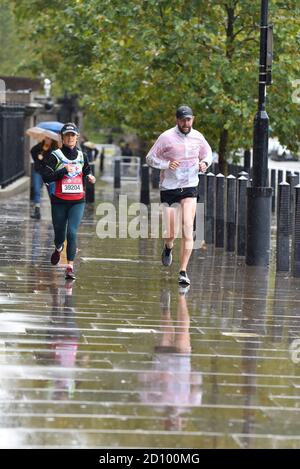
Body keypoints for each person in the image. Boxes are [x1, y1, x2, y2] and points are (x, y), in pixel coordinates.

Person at [146, 105, 212, 286]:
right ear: (177, 120)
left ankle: (183, 271)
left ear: (193, 119)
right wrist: (166, 164)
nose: (186, 123)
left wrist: (204, 163)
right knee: (171, 231)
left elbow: (208, 153)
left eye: (188, 119)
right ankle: (168, 247)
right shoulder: (166, 137)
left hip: (190, 185)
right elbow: (150, 158)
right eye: (182, 120)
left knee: (188, 226)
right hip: (170, 187)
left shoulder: (198, 137)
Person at [40, 122, 96, 280]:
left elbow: (86, 171)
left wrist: (90, 177)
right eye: (67, 135)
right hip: (59, 201)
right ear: (62, 138)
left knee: (71, 232)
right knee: (59, 234)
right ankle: (58, 248)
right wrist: (63, 170)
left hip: (78, 200)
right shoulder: (55, 155)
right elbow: (46, 177)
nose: (70, 138)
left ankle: (70, 267)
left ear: (77, 137)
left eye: (73, 135)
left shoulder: (82, 156)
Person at [30, 137, 58, 219]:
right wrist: (37, 157)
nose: (47, 140)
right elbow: (32, 151)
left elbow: (52, 161)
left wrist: (43, 159)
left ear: (52, 140)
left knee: (51, 192)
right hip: (38, 171)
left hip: (49, 173)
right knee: (36, 190)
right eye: (46, 138)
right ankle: (37, 211)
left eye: (49, 139)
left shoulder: (54, 149)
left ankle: (55, 212)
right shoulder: (40, 146)